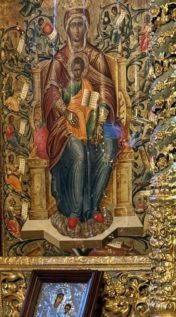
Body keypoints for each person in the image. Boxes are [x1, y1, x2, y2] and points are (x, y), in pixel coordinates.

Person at [43, 7, 121, 230]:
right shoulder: (60, 59)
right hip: (67, 120)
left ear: (87, 28)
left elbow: (106, 90)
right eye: (73, 25)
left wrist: (100, 120)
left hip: (98, 118)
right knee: (78, 153)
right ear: (66, 29)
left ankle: (93, 207)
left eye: (80, 25)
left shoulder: (96, 57)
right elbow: (51, 90)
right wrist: (65, 110)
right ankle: (74, 211)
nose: (77, 30)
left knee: (108, 149)